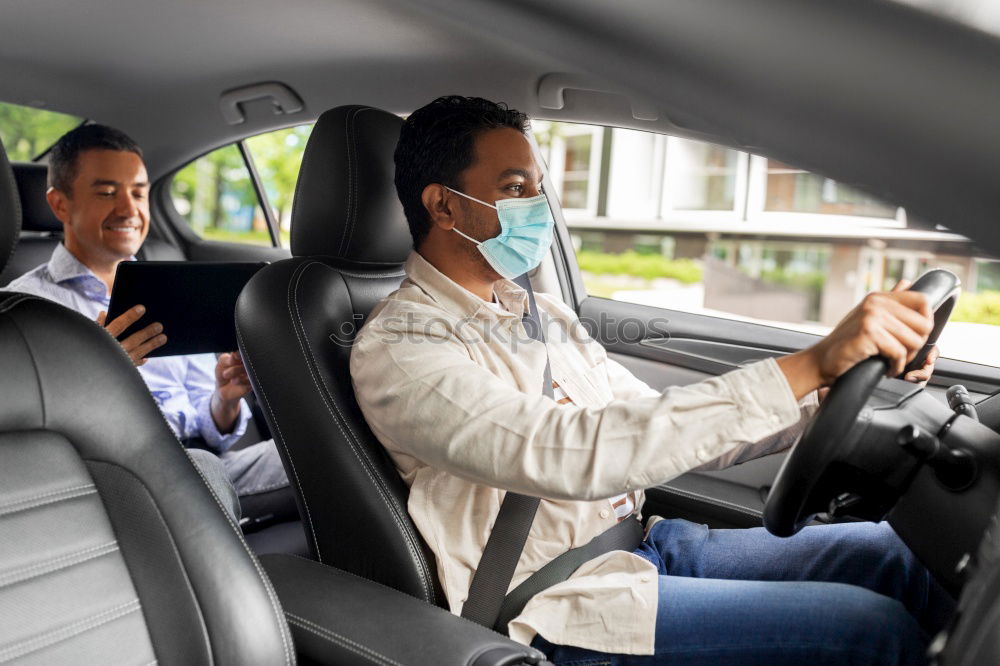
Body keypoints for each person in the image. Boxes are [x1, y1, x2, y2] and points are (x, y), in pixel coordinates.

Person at [350, 96, 950, 665]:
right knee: (871, 631)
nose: (540, 207)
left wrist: (825, 397)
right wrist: (808, 362)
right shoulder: (402, 348)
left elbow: (655, 422)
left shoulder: (543, 316)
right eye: (514, 189)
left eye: (539, 189)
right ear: (443, 206)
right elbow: (567, 451)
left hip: (645, 546)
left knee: (898, 555)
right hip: (562, 604)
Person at [3, 124, 291, 524]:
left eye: (138, 192)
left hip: (205, 461)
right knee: (204, 469)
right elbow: (40, 437)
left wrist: (224, 399)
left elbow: (206, 422)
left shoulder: (172, 286)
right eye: (106, 192)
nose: (129, 209)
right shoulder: (25, 308)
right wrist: (103, 369)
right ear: (60, 205)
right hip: (114, 478)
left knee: (320, 447)